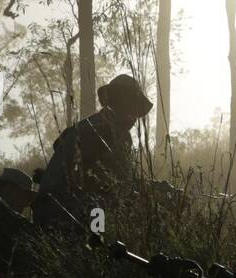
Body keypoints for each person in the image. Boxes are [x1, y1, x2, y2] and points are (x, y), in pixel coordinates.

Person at [33, 74, 153, 231]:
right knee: (102, 236)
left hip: (55, 209)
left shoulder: (93, 124)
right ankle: (97, 247)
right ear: (121, 104)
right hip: (64, 213)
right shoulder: (107, 130)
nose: (134, 117)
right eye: (132, 109)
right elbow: (110, 186)